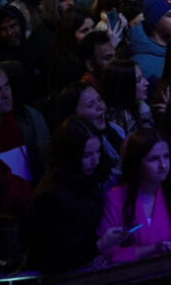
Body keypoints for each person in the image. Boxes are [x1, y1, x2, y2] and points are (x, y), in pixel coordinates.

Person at [26, 117, 120, 273]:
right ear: (69, 155)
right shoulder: (49, 197)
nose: (95, 160)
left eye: (98, 152)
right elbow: (50, 258)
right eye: (87, 155)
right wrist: (98, 246)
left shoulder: (87, 180)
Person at [96, 127, 171, 264]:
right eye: (154, 159)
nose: (163, 165)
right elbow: (109, 252)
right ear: (137, 163)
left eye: (166, 156)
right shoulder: (116, 198)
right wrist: (153, 249)